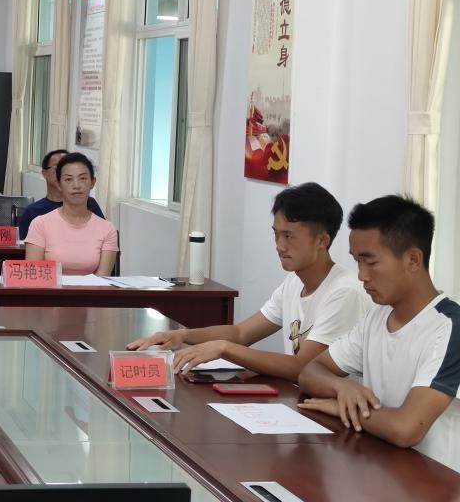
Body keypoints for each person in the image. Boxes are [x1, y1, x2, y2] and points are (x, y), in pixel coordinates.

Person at [127, 182, 371, 382]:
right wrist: (182, 335)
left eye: (289, 236)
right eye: (276, 234)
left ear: (322, 241)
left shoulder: (345, 292)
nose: (279, 245)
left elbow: (302, 367)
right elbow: (241, 333)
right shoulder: (294, 282)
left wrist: (224, 348)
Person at [298, 195, 459, 470]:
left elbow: (406, 429)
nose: (362, 275)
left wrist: (345, 408)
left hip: (435, 480)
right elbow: (309, 372)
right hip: (381, 466)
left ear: (413, 260)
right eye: (357, 262)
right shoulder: (377, 316)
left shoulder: (449, 327)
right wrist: (342, 387)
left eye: (370, 263)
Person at [24, 153, 117, 276]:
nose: (76, 185)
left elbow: (102, 280)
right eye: (68, 179)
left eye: (83, 178)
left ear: (92, 182)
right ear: (59, 184)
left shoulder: (107, 229)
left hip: (92, 289)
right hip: (49, 289)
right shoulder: (39, 224)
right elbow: (34, 276)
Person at [18, 148, 106, 239]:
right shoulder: (33, 211)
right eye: (58, 167)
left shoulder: (89, 203)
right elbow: (24, 245)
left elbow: (103, 235)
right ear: (44, 173)